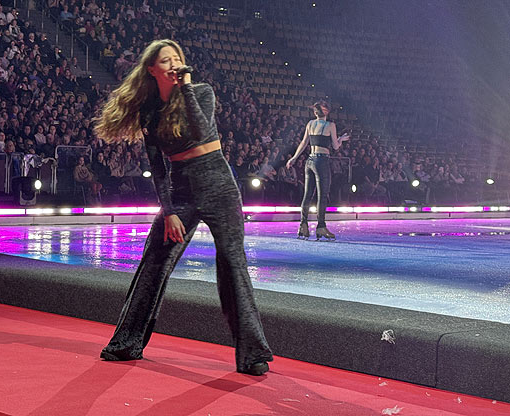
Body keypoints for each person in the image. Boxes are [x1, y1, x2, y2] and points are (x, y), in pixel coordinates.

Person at [94, 39, 273, 376]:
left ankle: (252, 354)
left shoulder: (201, 92)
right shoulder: (149, 110)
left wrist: (187, 87)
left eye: (178, 58)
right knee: (154, 264)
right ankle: (126, 342)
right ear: (152, 69)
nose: (174, 64)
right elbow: (158, 167)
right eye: (166, 60)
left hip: (219, 185)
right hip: (181, 191)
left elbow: (202, 129)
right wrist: (169, 211)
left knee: (233, 265)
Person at [286, 101, 349, 240]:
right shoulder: (330, 125)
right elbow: (335, 146)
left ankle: (303, 225)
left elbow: (304, 143)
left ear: (315, 113)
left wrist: (294, 158)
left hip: (309, 160)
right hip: (322, 160)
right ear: (326, 112)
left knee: (307, 194)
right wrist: (341, 139)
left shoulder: (310, 124)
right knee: (322, 195)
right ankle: (321, 227)